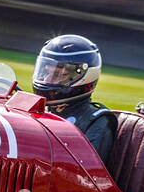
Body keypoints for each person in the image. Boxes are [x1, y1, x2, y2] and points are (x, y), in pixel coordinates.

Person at [32, 35, 117, 165]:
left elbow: (85, 176)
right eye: (45, 72)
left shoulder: (96, 122)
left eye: (58, 74)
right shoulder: (40, 109)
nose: (46, 80)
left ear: (84, 76)